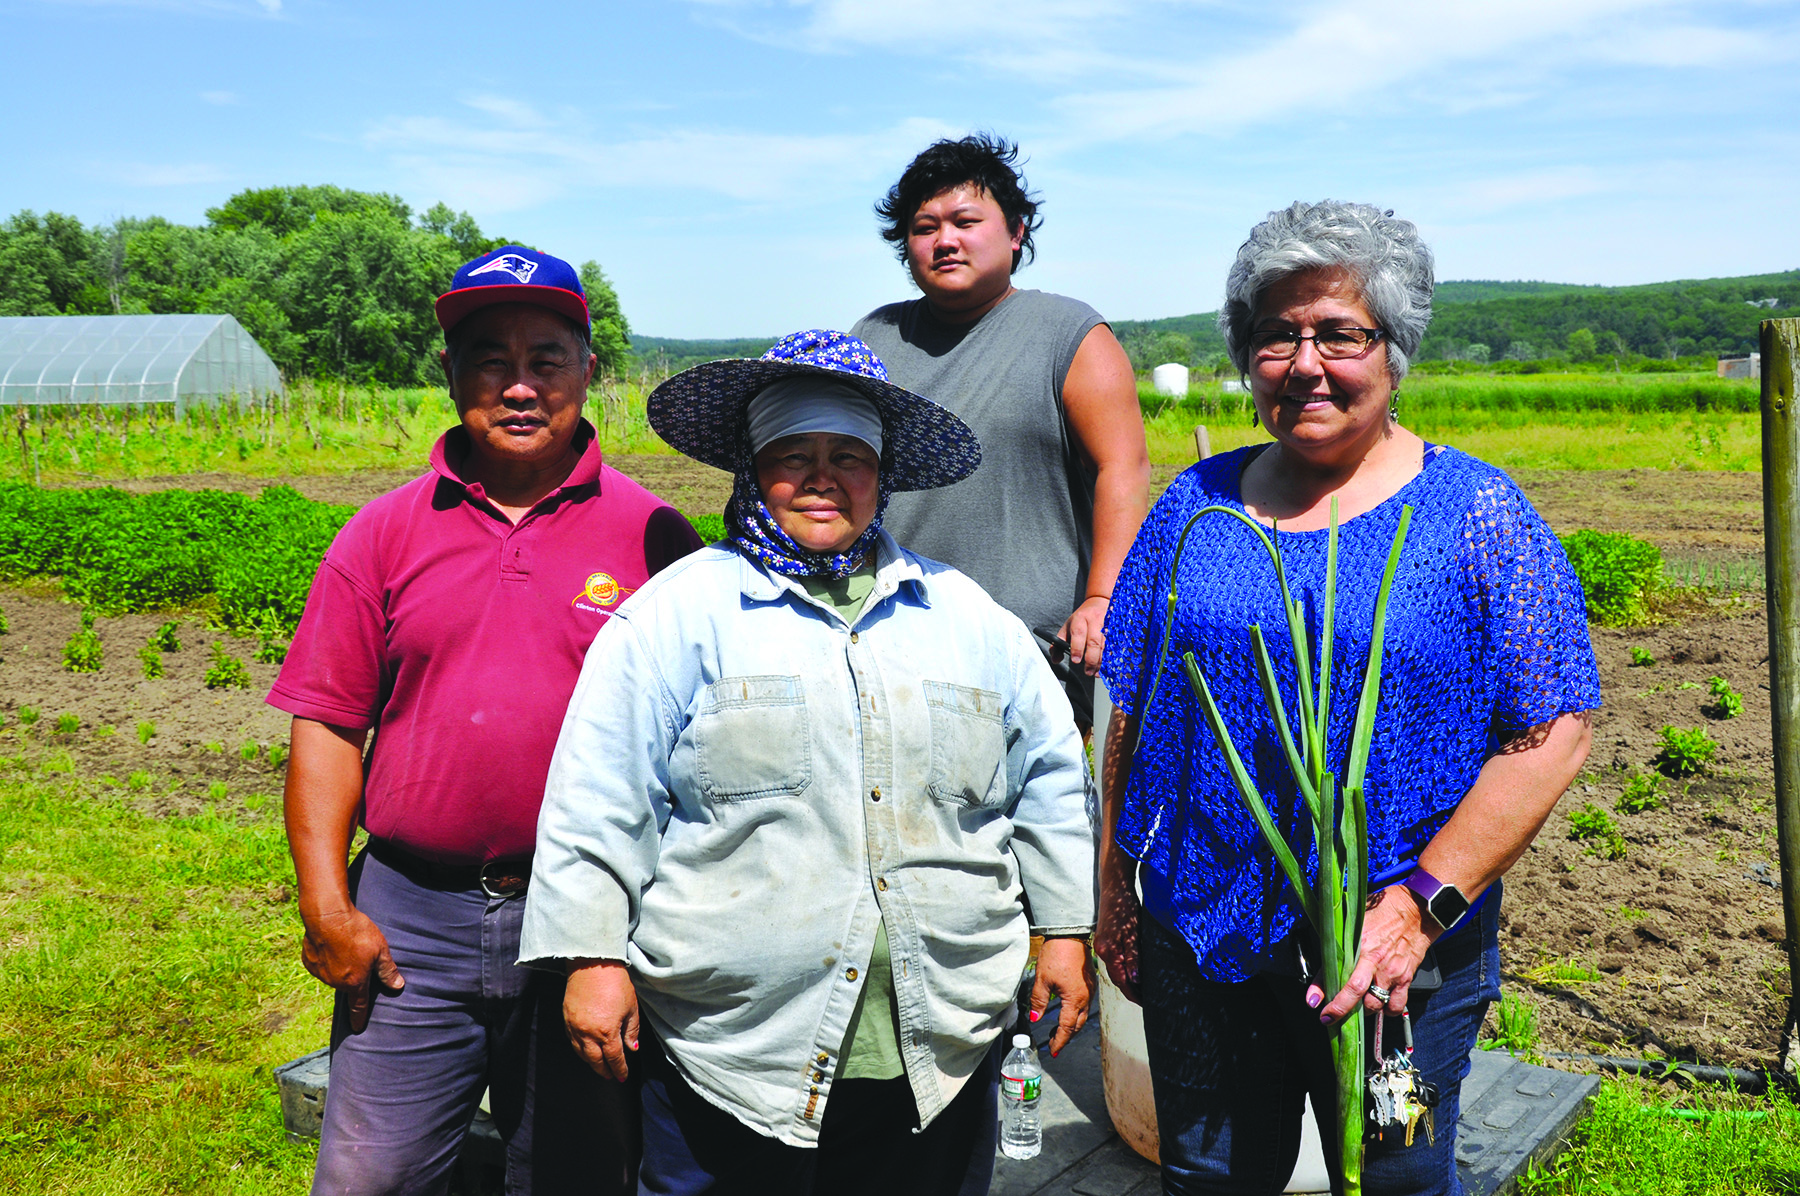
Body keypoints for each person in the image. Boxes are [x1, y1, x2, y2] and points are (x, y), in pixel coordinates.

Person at [1093, 201, 1601, 1196]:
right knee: (1209, 1171)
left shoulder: (1475, 513)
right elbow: (1135, 704)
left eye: (1339, 332)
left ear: (1394, 349)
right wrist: (1115, 883)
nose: (1305, 361)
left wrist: (1417, 908)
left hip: (1396, 958)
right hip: (1202, 934)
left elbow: (1553, 729)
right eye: (1277, 333)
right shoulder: (1194, 506)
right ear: (1245, 356)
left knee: (1398, 1169)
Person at [517, 329, 1097, 1195]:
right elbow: (599, 799)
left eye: (848, 456)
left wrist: (1063, 930)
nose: (822, 477)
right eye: (794, 456)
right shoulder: (677, 617)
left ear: (882, 473)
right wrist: (591, 959)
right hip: (735, 1051)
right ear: (754, 470)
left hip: (940, 1044)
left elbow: (1049, 782)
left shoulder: (968, 618)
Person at [269, 245, 702, 1195]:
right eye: (488, 360)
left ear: (590, 371)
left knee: (577, 1174)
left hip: (586, 917)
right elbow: (329, 724)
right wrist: (327, 904)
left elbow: (696, 752)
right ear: (452, 375)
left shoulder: (656, 537)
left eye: (546, 358)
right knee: (369, 1177)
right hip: (410, 919)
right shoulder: (381, 533)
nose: (518, 385)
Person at [851, 134, 1150, 729]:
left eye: (965, 220)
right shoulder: (875, 337)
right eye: (924, 226)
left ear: (1015, 232)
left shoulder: (1069, 333)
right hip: (889, 645)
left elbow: (1124, 467)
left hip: (1030, 657)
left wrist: (1102, 599)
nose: (945, 241)